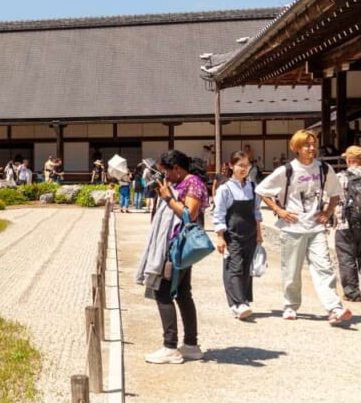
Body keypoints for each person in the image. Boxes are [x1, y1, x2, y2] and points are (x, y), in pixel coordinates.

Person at [256, 130, 352, 325]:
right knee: (291, 270)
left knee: (324, 267)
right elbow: (262, 189)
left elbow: (335, 193)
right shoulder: (287, 170)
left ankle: (334, 308)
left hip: (316, 228)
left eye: (313, 144)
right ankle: (290, 305)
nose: (311, 148)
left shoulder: (324, 169)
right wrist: (278, 210)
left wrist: (328, 212)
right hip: (292, 227)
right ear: (296, 148)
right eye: (306, 145)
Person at [134, 149, 208, 364]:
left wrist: (167, 198)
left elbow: (189, 214)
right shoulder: (182, 183)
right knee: (183, 294)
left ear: (177, 168)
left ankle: (170, 347)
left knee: (163, 293)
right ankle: (191, 345)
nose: (165, 176)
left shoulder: (192, 183)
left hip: (177, 245)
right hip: (178, 245)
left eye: (166, 171)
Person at [214, 151, 264, 320]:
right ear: (231, 166)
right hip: (232, 234)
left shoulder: (253, 187)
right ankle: (237, 303)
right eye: (240, 165)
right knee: (234, 266)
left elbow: (256, 212)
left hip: (250, 233)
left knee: (246, 268)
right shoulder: (225, 188)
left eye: (247, 165)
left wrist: (259, 233)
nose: (244, 169)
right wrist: (220, 236)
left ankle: (243, 300)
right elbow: (219, 213)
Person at [335, 146, 361, 302]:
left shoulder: (340, 177)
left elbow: (329, 199)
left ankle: (352, 293)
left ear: (349, 160)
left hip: (345, 224)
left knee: (346, 257)